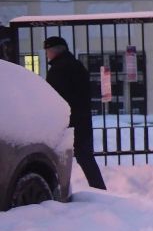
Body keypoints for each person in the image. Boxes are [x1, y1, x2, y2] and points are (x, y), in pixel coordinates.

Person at [41, 36, 107, 191]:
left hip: (67, 122)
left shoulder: (58, 70)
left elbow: (53, 96)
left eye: (47, 51)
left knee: (59, 158)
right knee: (85, 157)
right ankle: (99, 189)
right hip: (82, 119)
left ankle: (60, 190)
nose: (47, 55)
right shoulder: (76, 65)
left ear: (54, 50)